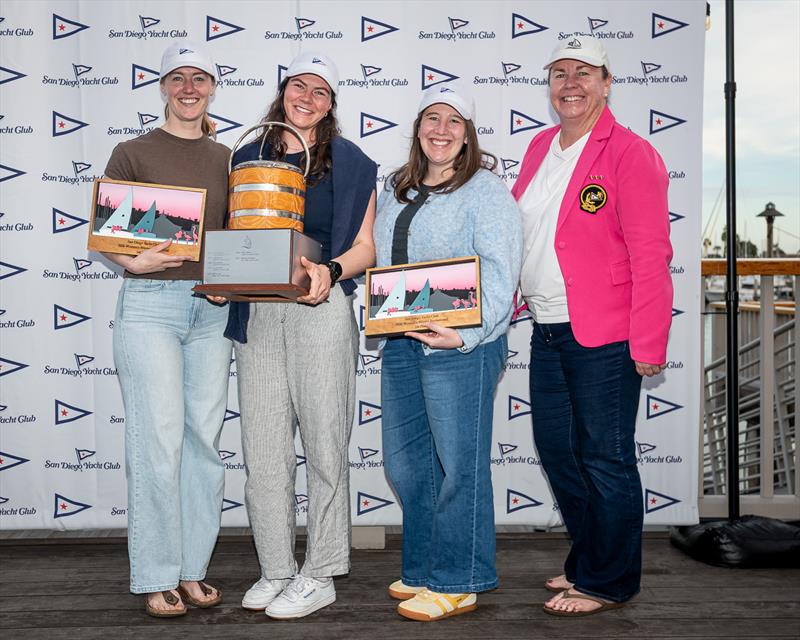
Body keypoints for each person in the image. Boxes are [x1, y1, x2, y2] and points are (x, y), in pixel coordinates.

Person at [512, 36, 673, 616]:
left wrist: (649, 340)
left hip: (605, 334)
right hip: (547, 327)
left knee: (604, 455)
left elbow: (650, 254)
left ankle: (609, 580)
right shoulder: (538, 148)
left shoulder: (631, 154)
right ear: (549, 86)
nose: (570, 83)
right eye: (559, 73)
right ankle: (589, 558)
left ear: (607, 83)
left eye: (585, 72)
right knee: (558, 451)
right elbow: (525, 236)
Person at [224, 51, 377, 619]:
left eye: (320, 91)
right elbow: (226, 234)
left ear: (332, 102)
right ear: (283, 92)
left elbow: (365, 246)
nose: (307, 98)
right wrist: (222, 279)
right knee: (263, 451)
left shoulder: (353, 162)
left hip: (321, 308)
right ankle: (276, 568)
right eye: (298, 87)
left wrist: (330, 272)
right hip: (259, 313)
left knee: (324, 444)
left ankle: (321, 572)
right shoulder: (245, 155)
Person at [374, 83, 522, 621]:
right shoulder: (398, 188)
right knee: (409, 464)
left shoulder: (485, 191)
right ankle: (423, 569)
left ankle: (460, 578)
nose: (440, 129)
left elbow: (503, 274)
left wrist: (470, 332)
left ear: (468, 134)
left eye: (453, 121)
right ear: (417, 128)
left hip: (461, 347)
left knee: (459, 466)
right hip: (403, 343)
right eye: (431, 118)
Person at [102, 40, 232, 617]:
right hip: (150, 305)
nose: (188, 88)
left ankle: (190, 568)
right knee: (157, 443)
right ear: (162, 88)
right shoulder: (130, 152)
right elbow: (109, 230)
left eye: (199, 79)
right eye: (177, 78)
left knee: (202, 442)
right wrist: (132, 263)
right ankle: (155, 574)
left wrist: (236, 278)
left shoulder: (229, 158)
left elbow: (237, 237)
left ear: (211, 89)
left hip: (211, 309)